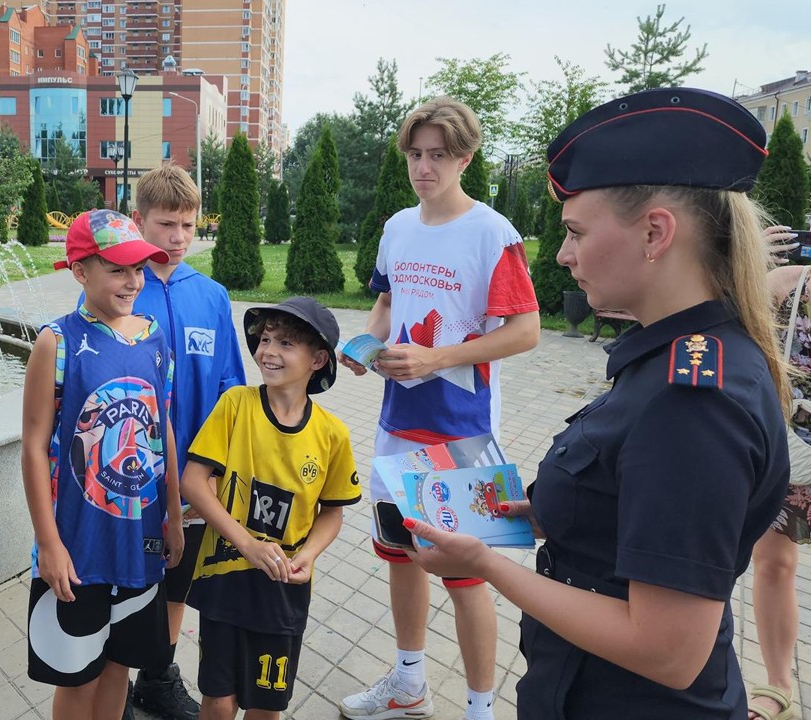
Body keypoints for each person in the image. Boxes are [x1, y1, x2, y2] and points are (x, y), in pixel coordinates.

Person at [403, 87, 792, 719]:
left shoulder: (694, 402)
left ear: (655, 233)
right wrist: (536, 512)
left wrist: (484, 563)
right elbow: (628, 506)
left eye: (577, 232)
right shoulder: (677, 359)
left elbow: (668, 650)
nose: (563, 255)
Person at [338, 96, 540, 720]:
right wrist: (365, 346)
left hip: (462, 432)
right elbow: (386, 303)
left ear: (465, 158)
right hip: (397, 423)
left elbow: (527, 331)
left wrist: (439, 358)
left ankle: (480, 709)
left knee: (465, 575)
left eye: (439, 156)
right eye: (416, 155)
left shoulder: (492, 232)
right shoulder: (398, 226)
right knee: (399, 554)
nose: (425, 167)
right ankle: (408, 683)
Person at [21, 209, 185, 719]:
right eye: (116, 268)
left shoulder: (155, 336)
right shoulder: (58, 341)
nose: (132, 280)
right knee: (78, 676)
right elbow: (31, 445)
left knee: (119, 666)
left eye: (138, 268)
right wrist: (48, 543)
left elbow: (165, 431)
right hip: (77, 542)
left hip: (139, 540)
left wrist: (175, 516)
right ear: (80, 272)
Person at [180, 297, 362, 720]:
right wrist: (247, 544)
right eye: (265, 339)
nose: (268, 351)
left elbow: (332, 513)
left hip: (282, 593)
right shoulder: (236, 405)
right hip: (225, 582)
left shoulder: (332, 435)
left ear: (318, 359)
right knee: (219, 700)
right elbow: (193, 480)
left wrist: (309, 555)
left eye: (285, 343)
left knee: (265, 706)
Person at [118, 164, 246, 720]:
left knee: (178, 579)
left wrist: (218, 466)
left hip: (194, 473)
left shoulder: (212, 296)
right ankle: (111, 682)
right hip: (132, 476)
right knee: (126, 582)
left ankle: (157, 676)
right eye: (165, 224)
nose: (177, 238)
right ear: (136, 220)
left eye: (189, 226)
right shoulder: (118, 289)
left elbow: (230, 387)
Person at [745, 226, 811, 720]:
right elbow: (709, 313)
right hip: (796, 453)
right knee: (774, 564)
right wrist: (744, 261)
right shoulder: (786, 284)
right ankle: (779, 686)